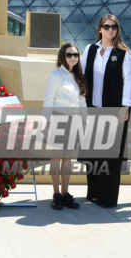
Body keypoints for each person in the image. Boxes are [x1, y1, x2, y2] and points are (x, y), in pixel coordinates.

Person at [80, 14, 131, 208]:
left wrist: (125, 107)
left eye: (114, 27)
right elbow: (82, 75)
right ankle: (93, 193)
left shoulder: (124, 53)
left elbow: (129, 81)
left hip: (113, 110)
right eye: (107, 26)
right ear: (100, 28)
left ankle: (107, 198)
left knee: (111, 156)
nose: (110, 30)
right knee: (92, 153)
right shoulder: (90, 49)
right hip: (92, 108)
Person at [43, 43, 88, 211]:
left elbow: (82, 102)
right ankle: (56, 195)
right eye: (69, 54)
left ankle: (65, 193)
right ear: (63, 56)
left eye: (76, 54)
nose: (73, 57)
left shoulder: (78, 77)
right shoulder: (55, 75)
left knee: (67, 159)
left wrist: (84, 123)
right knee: (56, 158)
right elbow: (48, 101)